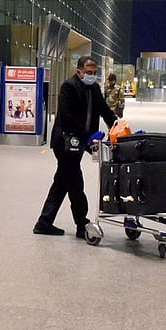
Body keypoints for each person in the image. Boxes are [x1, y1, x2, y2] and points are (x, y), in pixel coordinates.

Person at [34, 55, 117, 238]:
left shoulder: (94, 88)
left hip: (79, 143)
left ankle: (44, 223)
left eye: (94, 72)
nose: (92, 75)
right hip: (65, 143)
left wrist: (117, 125)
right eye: (88, 72)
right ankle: (82, 224)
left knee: (61, 183)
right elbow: (67, 118)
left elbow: (104, 110)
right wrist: (87, 137)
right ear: (79, 71)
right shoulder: (69, 87)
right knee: (75, 183)